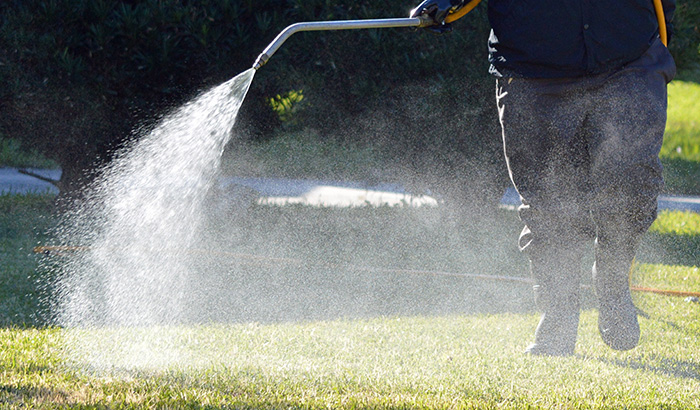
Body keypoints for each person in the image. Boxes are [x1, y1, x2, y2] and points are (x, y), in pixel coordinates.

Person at [410, 0, 676, 356]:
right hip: (533, 69)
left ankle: (613, 283)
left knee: (631, 182)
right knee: (549, 202)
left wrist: (661, 34)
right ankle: (558, 316)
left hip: (628, 57)